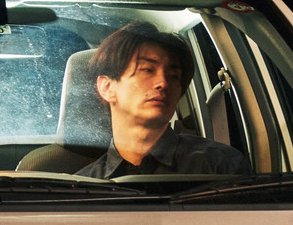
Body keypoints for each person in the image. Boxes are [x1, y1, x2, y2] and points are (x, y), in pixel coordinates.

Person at [75, 22, 251, 178]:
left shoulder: (221, 165)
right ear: (107, 87)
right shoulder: (84, 186)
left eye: (174, 76)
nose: (163, 83)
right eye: (147, 70)